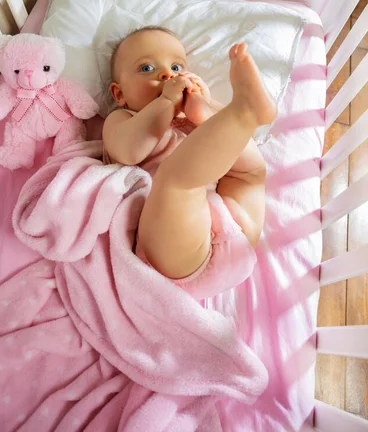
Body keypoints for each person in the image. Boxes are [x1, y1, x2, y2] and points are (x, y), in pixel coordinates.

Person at [103, 26, 277, 290]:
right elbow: (129, 152)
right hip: (174, 253)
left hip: (234, 231)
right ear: (120, 94)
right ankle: (245, 112)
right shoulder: (123, 119)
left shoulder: (191, 113)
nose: (167, 75)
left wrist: (203, 112)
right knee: (176, 180)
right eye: (147, 69)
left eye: (176, 67)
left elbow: (227, 147)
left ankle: (248, 110)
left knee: (250, 173)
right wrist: (166, 103)